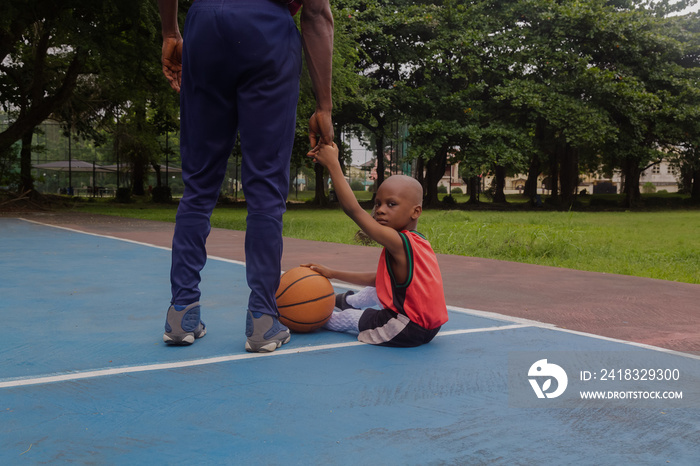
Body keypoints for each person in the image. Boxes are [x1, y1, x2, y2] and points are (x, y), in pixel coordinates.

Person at [157, 0, 334, 352]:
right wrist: (324, 105)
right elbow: (316, 15)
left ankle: (181, 314)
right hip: (267, 29)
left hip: (205, 26)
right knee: (266, 186)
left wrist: (170, 31)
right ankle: (263, 320)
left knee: (199, 185)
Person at [304, 143, 448, 347]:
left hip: (406, 328)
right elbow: (379, 279)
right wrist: (333, 273)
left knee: (344, 320)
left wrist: (333, 164)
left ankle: (310, 311)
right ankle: (345, 301)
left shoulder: (398, 242)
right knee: (376, 291)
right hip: (429, 326)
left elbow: (353, 210)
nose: (380, 210)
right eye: (378, 203)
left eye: (391, 204)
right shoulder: (418, 241)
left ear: (415, 211)